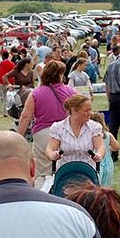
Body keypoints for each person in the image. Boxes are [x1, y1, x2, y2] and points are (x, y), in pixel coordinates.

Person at [16, 61, 77, 189]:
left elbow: (25, 116)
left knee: (42, 172)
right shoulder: (71, 92)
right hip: (66, 131)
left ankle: (41, 198)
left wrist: (19, 137)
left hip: (43, 132)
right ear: (60, 75)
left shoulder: (36, 93)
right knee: (65, 168)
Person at [45, 94, 104, 170]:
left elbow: (100, 147)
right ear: (74, 111)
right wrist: (52, 155)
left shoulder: (94, 127)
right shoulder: (58, 127)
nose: (90, 113)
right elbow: (49, 149)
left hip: (87, 171)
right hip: (65, 171)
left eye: (90, 109)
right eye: (86, 111)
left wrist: (99, 155)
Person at [92, 112, 120, 187]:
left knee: (95, 185)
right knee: (105, 187)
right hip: (108, 164)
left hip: (95, 164)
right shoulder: (108, 135)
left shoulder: (90, 136)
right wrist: (108, 148)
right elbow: (116, 147)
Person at [0, 51, 15, 117]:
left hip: (0, 81)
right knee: (7, 97)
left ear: (3, 56)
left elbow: (0, 72)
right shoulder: (12, 64)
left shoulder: (2, 63)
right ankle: (6, 112)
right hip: (9, 82)